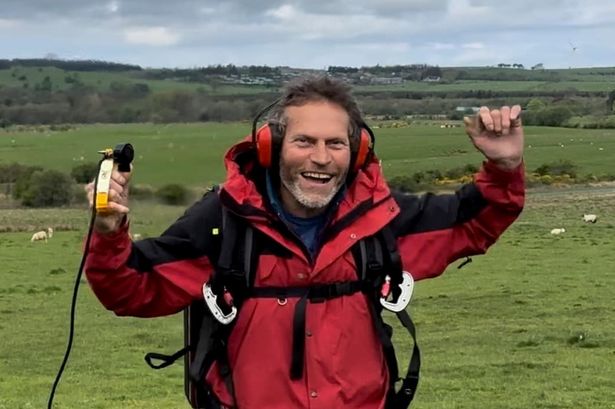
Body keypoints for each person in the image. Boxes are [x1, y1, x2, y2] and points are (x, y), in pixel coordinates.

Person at [84, 74, 525, 409]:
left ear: (358, 152)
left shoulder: (382, 219)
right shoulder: (223, 221)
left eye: (336, 143)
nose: (320, 157)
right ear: (270, 147)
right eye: (304, 141)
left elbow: (474, 223)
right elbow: (130, 289)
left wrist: (504, 168)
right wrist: (108, 234)